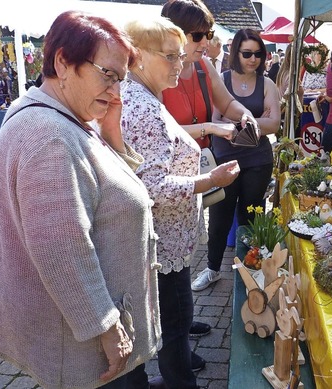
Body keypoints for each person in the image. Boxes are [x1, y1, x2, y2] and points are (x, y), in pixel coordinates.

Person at [0, 11, 159, 389]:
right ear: (63, 62)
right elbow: (61, 247)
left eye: (121, 80)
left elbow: (101, 185)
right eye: (107, 74)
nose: (116, 92)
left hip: (82, 341)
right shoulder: (52, 136)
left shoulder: (57, 116)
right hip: (90, 354)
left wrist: (109, 132)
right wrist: (107, 327)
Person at [120, 17, 240, 388]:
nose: (180, 64)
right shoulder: (142, 106)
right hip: (163, 239)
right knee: (174, 321)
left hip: (165, 236)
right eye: (170, 57)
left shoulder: (140, 96)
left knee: (172, 317)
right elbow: (151, 185)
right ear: (138, 57)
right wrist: (210, 180)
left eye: (180, 56)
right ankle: (179, 382)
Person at [193, 28, 280, 292]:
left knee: (250, 215)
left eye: (258, 54)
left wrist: (235, 124)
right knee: (220, 215)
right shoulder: (223, 80)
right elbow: (216, 121)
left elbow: (274, 123)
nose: (253, 59)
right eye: (247, 53)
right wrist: (255, 122)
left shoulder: (268, 84)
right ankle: (212, 269)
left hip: (257, 159)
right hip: (225, 158)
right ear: (236, 54)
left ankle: (248, 268)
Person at [161, 0, 255, 150]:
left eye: (208, 34)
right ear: (174, 34)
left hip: (200, 163)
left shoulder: (203, 65)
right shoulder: (156, 72)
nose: (205, 43)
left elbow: (228, 104)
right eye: (198, 36)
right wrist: (209, 128)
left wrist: (245, 114)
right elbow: (160, 131)